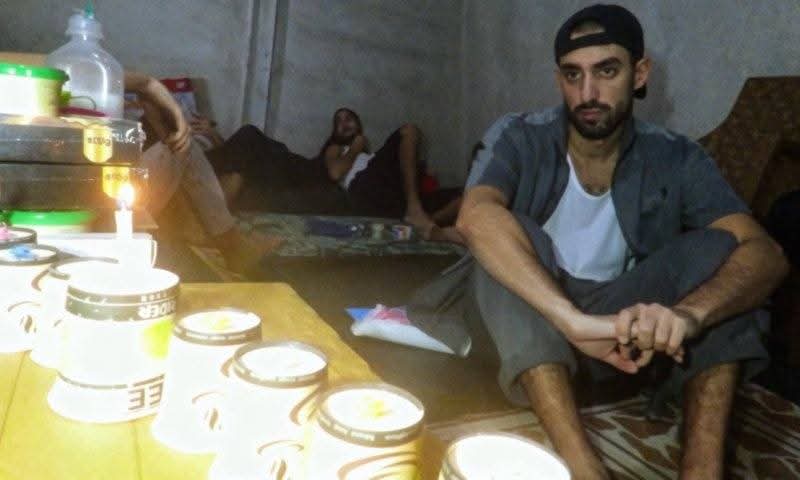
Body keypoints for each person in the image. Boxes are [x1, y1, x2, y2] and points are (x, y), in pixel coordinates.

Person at [407, 5, 788, 479]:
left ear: (639, 73)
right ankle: (583, 466)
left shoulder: (676, 155)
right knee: (508, 233)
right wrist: (571, 320)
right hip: (517, 324)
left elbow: (766, 253)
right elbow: (476, 215)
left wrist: (689, 315)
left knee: (723, 252)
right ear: (559, 80)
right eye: (573, 75)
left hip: (615, 330)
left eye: (607, 71)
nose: (587, 93)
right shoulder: (520, 134)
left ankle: (702, 471)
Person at [3, 52, 279, 275]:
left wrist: (151, 89)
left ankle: (218, 237)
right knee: (184, 147)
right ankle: (230, 244)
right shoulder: (28, 86)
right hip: (70, 213)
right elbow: (51, 70)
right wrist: (149, 85)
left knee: (183, 146)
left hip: (88, 196)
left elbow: (56, 70)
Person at [319, 108, 463, 241]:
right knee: (409, 130)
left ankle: (424, 225)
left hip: (392, 196)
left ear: (358, 125)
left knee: (465, 196)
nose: (344, 123)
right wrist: (357, 145)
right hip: (363, 189)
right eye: (339, 121)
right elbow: (335, 173)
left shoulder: (371, 158)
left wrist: (421, 172)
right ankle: (415, 210)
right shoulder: (336, 147)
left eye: (349, 119)